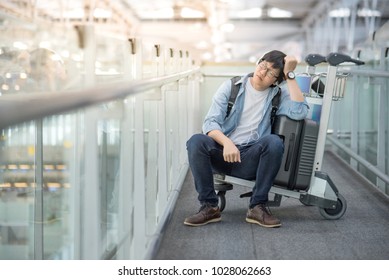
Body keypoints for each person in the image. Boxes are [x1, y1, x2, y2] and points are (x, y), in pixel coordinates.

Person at [184, 50, 309, 228]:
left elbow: (300, 112)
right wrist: (227, 143)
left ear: (276, 80)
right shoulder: (232, 86)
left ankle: (257, 206)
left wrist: (289, 74)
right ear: (259, 62)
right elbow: (210, 122)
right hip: (223, 153)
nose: (262, 72)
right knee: (196, 141)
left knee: (274, 142)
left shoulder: (278, 95)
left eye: (271, 73)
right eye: (263, 65)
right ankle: (209, 207)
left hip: (250, 159)